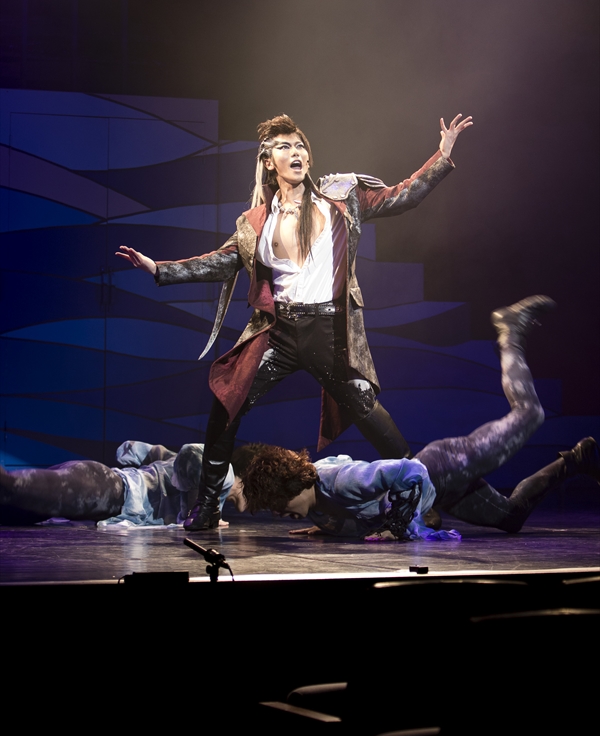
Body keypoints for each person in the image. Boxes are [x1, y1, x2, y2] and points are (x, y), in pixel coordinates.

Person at [116, 112, 473, 530]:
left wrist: (441, 156)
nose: (296, 152)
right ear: (269, 162)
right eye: (285, 147)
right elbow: (220, 262)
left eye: (300, 145)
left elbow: (401, 196)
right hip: (279, 334)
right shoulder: (255, 223)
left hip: (328, 332)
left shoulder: (340, 198)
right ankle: (209, 506)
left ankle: (422, 500)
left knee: (366, 409)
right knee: (226, 405)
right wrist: (159, 269)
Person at [241, 296, 600, 540]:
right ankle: (576, 460)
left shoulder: (339, 481)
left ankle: (511, 332)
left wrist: (399, 524)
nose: (279, 514)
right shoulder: (319, 503)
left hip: (445, 466)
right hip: (440, 489)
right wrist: (332, 525)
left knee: (530, 413)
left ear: (293, 485)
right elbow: (360, 503)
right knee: (511, 517)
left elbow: (408, 470)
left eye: (278, 504)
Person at [0, 442, 266, 527]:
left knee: (10, 505)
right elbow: (191, 454)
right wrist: (196, 512)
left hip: (101, 486)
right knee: (8, 487)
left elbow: (146, 451)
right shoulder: (224, 473)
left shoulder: (213, 486)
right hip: (109, 490)